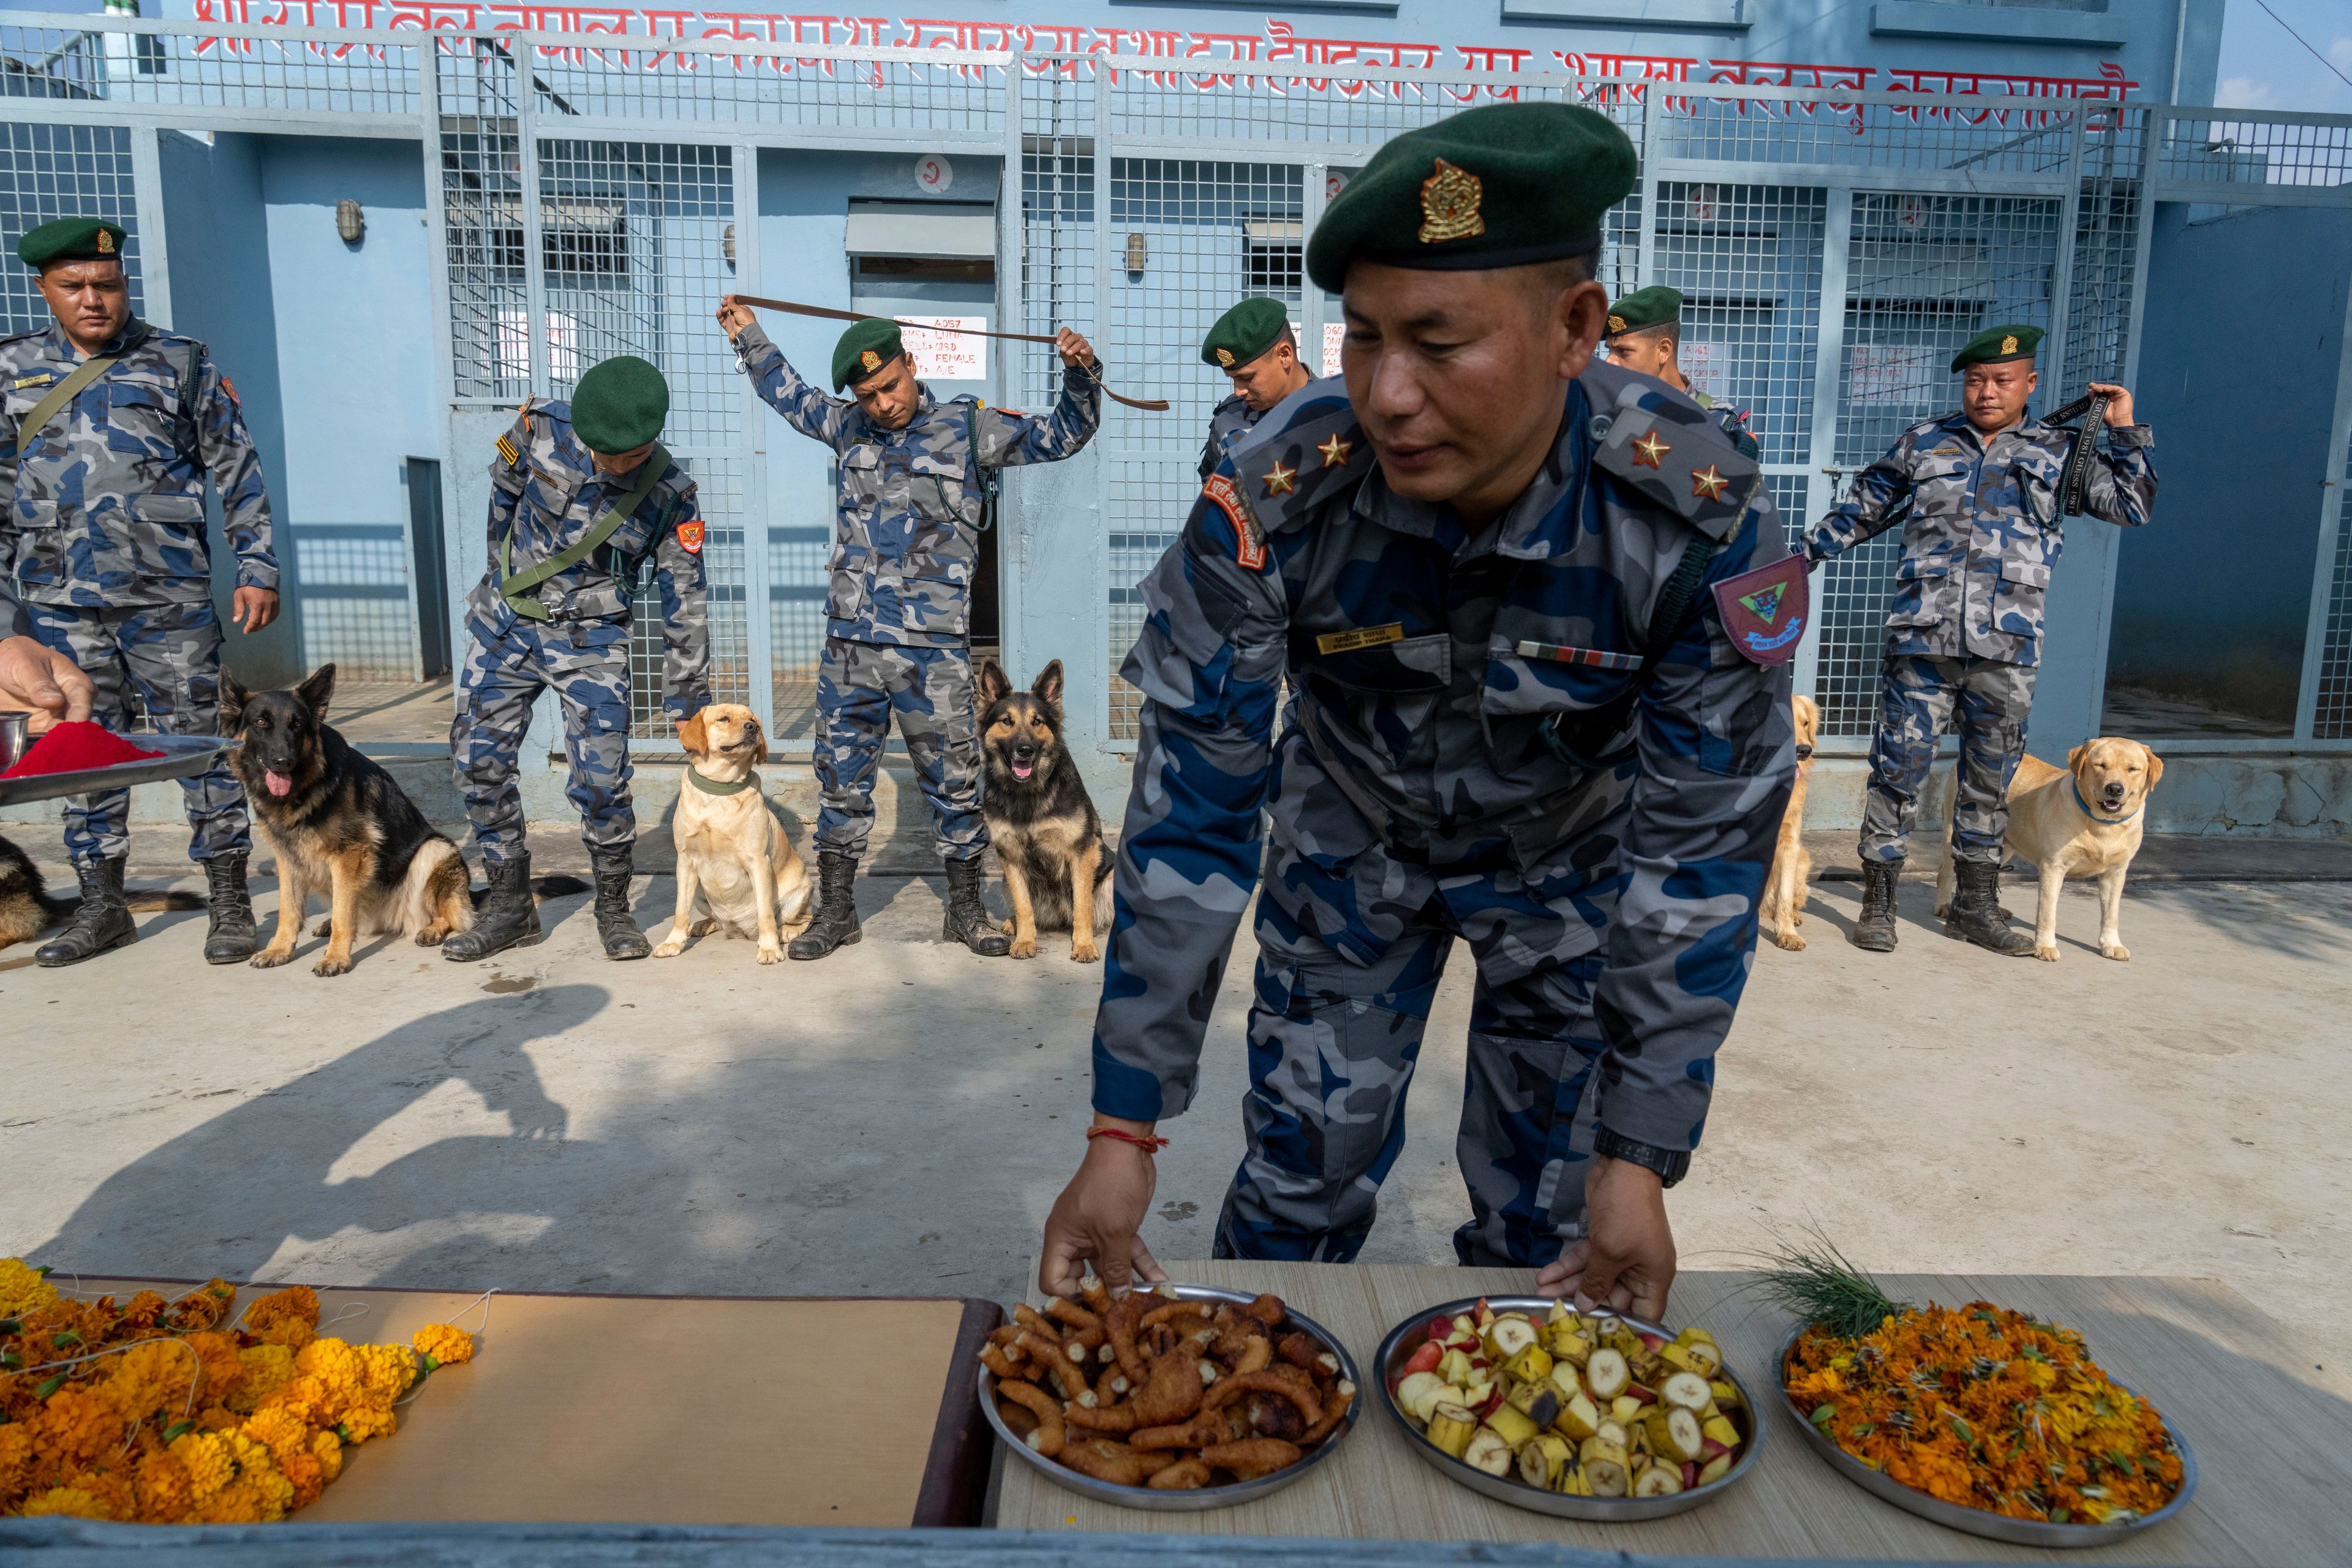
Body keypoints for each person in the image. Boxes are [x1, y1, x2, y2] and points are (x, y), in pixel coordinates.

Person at [1038, 102, 1797, 1320]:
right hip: (1350, 854)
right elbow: (1195, 817)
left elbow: (1704, 849)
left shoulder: (1695, 518)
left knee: (1550, 1238)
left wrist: (1642, 1149)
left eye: (1442, 343)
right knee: (1293, 1196)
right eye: (1365, 340)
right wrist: (1125, 1124)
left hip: (1567, 873)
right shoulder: (1272, 496)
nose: (1389, 394)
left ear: (1575, 328)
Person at [715, 300, 1102, 961]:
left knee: (956, 782)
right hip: (852, 649)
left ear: (911, 365)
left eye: (890, 385)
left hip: (934, 654)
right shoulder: (847, 429)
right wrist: (748, 334)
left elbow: (1062, 435)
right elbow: (787, 393)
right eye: (868, 395)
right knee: (840, 781)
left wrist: (1082, 373)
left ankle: (966, 911)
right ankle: (837, 913)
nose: (884, 403)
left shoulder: (968, 427)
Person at [1803, 325, 2154, 955]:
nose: (1986, 391)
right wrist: (1791, 561)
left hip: (2007, 650)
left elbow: (2132, 505)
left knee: (1991, 782)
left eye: (2001, 380)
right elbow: (1859, 511)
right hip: (1923, 643)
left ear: (2030, 384)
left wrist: (2124, 429)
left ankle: (1975, 905)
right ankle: (1878, 902)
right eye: (1975, 380)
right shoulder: (1925, 443)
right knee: (1896, 774)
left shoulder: (2060, 451)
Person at [0, 216, 279, 968]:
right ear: (44, 290)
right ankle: (101, 906)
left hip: (169, 601)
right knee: (81, 754)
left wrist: (257, 565)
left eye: (107, 283)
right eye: (74, 286)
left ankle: (228, 898)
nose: (94, 298)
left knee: (202, 748)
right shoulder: (10, 370)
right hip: (60, 607)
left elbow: (238, 470)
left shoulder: (179, 362)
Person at [445, 355, 707, 963]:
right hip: (507, 625)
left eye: (632, 456)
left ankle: (613, 909)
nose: (617, 466)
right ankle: (511, 906)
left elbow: (685, 602)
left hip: (592, 639)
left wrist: (687, 698)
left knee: (601, 778)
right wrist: (500, 583)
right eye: (606, 454)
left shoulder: (672, 495)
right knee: (476, 760)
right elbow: (502, 501)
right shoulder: (538, 429)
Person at [1603, 286, 1757, 459]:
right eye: (1609, 350)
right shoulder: (1607, 412)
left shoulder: (1721, 421)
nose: (1609, 361)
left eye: (1623, 351)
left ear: (1663, 350)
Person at [1197, 298, 1314, 480]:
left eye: (1247, 377)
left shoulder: (1336, 407)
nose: (1239, 391)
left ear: (1284, 355)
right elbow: (1215, 493)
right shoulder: (1228, 417)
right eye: (1233, 379)